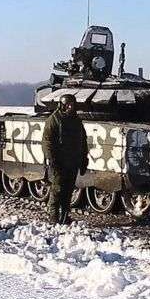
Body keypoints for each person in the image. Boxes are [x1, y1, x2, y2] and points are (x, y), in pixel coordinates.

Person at [41, 94, 89, 225]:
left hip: (72, 161)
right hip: (59, 161)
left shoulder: (76, 121)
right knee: (57, 189)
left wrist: (84, 158)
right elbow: (47, 142)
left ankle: (65, 215)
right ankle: (53, 217)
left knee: (68, 191)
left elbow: (83, 140)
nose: (70, 107)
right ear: (61, 105)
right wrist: (51, 159)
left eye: (72, 105)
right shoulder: (54, 120)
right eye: (67, 105)